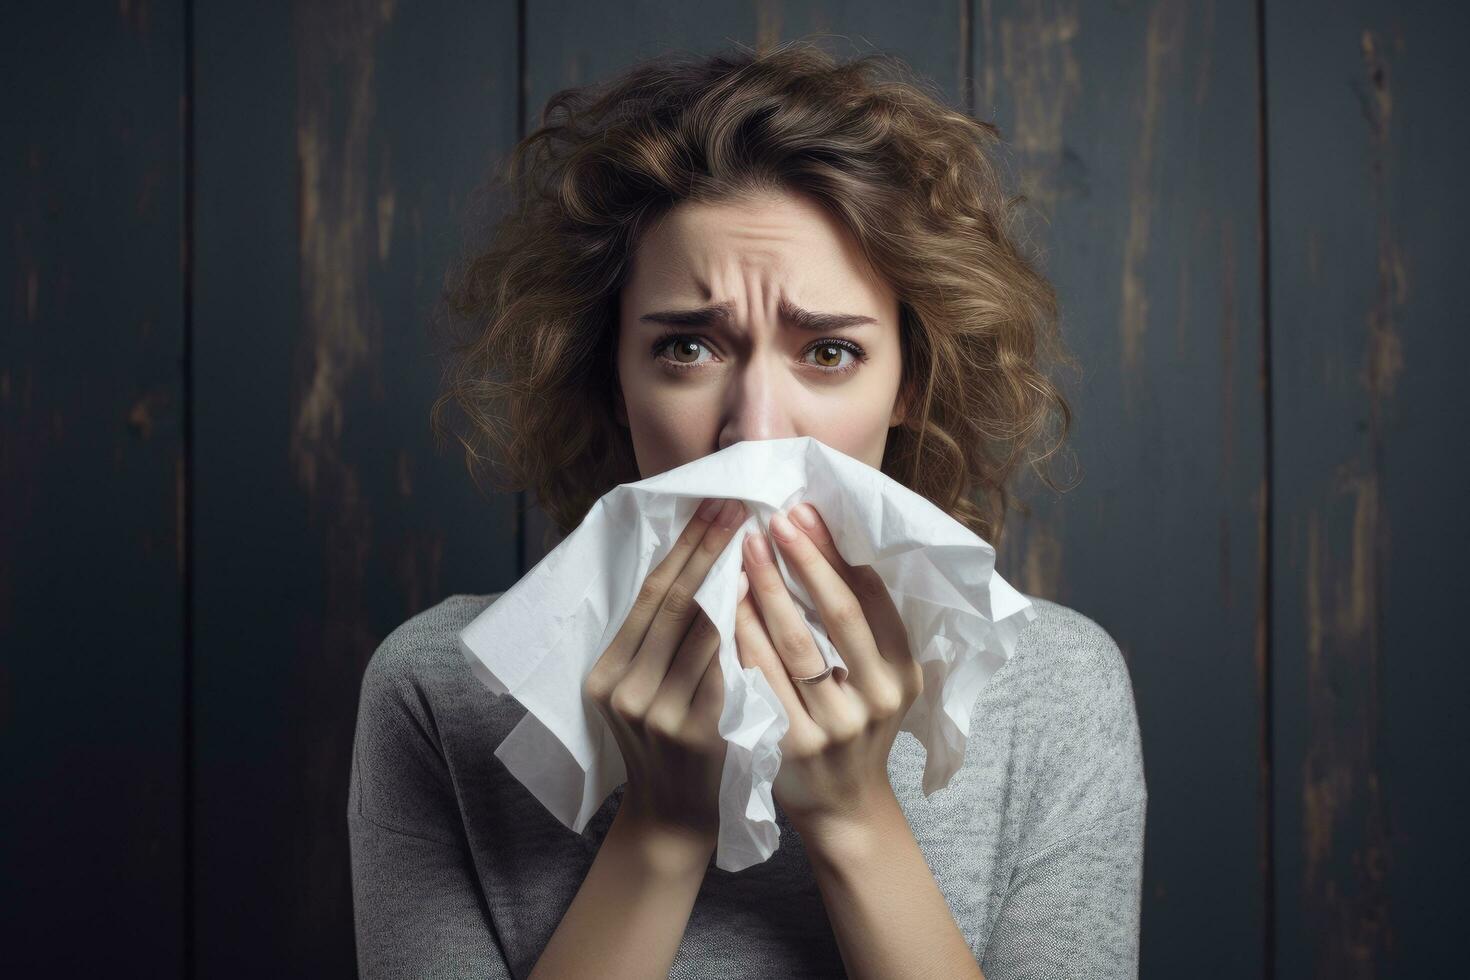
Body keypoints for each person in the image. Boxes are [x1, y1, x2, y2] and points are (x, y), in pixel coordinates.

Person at [348, 40, 1146, 979]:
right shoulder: (444, 693)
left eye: (830, 353)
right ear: (611, 379)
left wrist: (855, 817)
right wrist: (661, 828)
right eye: (688, 348)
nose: (754, 435)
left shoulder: (1048, 687)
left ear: (909, 385)